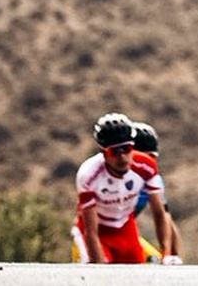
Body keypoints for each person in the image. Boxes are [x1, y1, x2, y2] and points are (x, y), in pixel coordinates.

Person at [72, 113, 172, 264]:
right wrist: (98, 267)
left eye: (127, 148)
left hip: (125, 227)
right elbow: (91, 231)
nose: (123, 157)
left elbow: (160, 214)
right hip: (97, 230)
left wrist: (167, 253)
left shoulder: (146, 166)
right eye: (115, 151)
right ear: (104, 153)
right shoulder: (88, 175)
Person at [129, 122, 183, 264]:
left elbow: (165, 217)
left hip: (125, 235)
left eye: (152, 158)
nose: (148, 164)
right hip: (100, 237)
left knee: (154, 261)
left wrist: (171, 254)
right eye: (144, 158)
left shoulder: (153, 179)